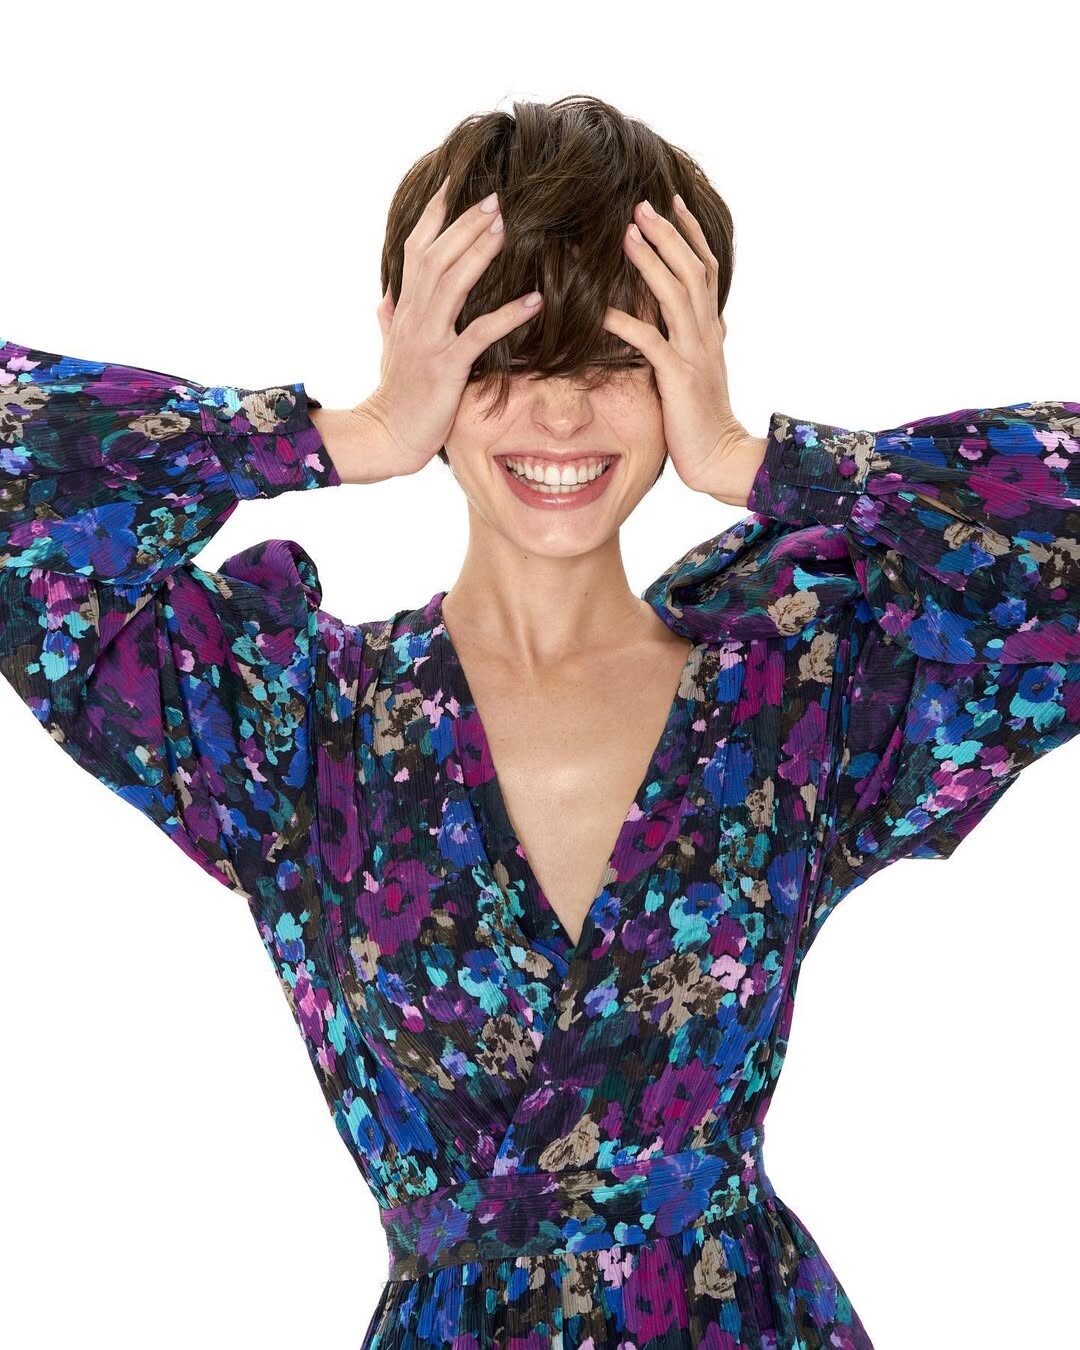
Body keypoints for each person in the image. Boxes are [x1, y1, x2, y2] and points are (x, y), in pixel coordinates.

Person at [1, 95, 1077, 1350]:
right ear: (420, 355)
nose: (559, 417)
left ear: (691, 357)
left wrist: (757, 461)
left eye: (614, 361)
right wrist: (340, 435)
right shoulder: (294, 726)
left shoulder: (800, 697)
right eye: (502, 360)